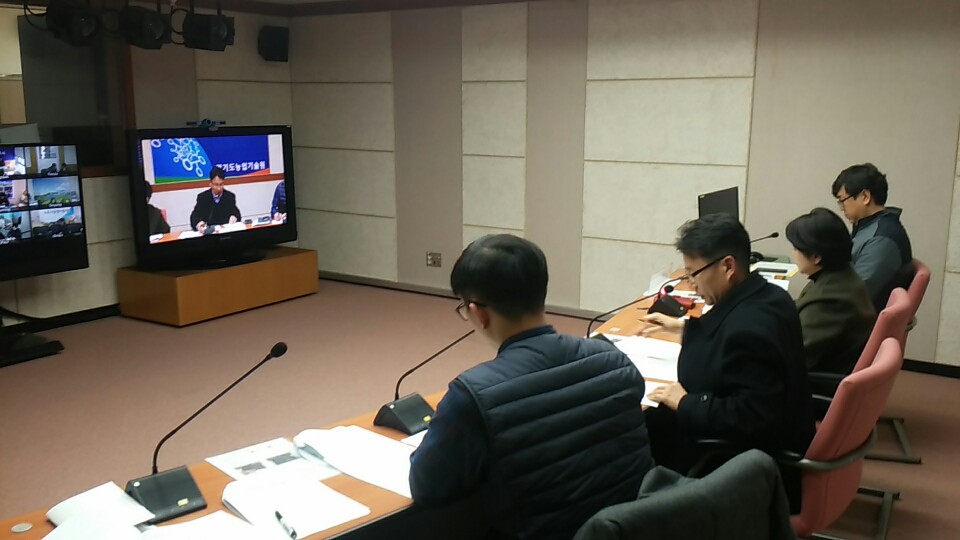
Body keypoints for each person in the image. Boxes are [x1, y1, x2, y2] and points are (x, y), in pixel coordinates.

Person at [409, 234, 654, 539]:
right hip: (632, 529)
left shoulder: (472, 395)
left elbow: (428, 486)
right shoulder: (612, 359)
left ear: (478, 313)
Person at [640, 213, 815, 512]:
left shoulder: (749, 330)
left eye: (693, 273)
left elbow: (753, 417)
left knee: (635, 433)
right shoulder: (769, 296)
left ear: (728, 266)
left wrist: (685, 402)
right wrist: (684, 329)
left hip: (744, 466)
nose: (691, 284)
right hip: (760, 442)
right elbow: (727, 342)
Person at [786, 208, 876, 374]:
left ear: (816, 256)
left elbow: (793, 359)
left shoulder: (828, 301)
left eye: (796, 248)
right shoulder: (838, 275)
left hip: (812, 382)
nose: (793, 253)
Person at [832, 163, 913, 311]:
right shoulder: (869, 226)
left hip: (855, 319)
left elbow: (854, 296)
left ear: (865, 197)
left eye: (842, 200)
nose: (841, 208)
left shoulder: (881, 239)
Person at [189, 166, 241, 232]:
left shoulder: (229, 196)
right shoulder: (203, 197)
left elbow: (237, 214)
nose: (219, 188)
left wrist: (234, 217)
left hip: (225, 233)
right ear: (210, 184)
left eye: (221, 184)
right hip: (209, 233)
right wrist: (198, 224)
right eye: (216, 184)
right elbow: (194, 217)